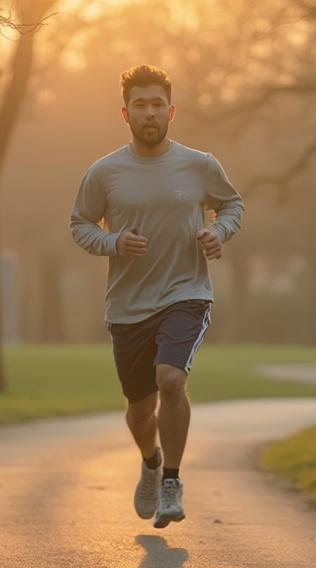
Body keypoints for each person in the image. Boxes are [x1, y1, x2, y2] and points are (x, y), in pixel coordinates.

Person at [68, 64, 244, 528]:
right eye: (140, 105)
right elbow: (80, 224)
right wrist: (113, 242)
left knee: (170, 379)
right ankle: (150, 461)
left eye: (157, 104)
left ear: (172, 111)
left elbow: (232, 204)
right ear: (125, 113)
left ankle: (171, 480)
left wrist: (218, 232)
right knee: (141, 410)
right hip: (128, 305)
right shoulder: (104, 172)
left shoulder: (200, 164)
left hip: (187, 292)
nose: (150, 112)